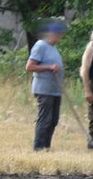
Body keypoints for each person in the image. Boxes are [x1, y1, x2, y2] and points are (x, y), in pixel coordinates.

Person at [26, 21, 66, 151]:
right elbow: (29, 67)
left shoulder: (53, 48)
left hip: (55, 90)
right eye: (57, 34)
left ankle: (46, 147)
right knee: (45, 119)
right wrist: (49, 67)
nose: (59, 37)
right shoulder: (41, 45)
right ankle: (38, 148)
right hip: (44, 89)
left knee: (54, 120)